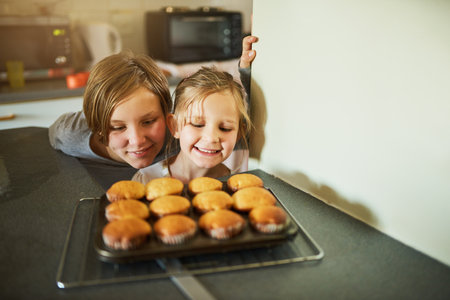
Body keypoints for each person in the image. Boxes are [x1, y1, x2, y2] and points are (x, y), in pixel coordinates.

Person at [48, 36, 258, 186]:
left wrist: (245, 71)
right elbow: (55, 131)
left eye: (148, 122)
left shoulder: (188, 135)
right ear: (100, 127)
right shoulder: (72, 134)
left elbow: (233, 116)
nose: (137, 140)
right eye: (118, 127)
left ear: (169, 119)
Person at [132, 66, 251, 184]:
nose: (211, 138)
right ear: (175, 126)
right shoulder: (146, 180)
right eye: (197, 125)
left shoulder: (236, 185)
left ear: (239, 133)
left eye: (225, 128)